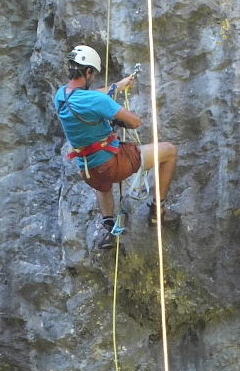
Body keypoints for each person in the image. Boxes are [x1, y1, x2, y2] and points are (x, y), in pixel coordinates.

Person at [54, 45, 179, 248]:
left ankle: (110, 228)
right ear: (87, 72)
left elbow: (95, 97)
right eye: (92, 74)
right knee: (169, 151)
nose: (93, 78)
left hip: (89, 172)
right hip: (113, 165)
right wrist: (119, 119)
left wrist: (118, 86)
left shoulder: (60, 96)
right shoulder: (95, 100)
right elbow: (135, 122)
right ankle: (158, 212)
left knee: (102, 182)